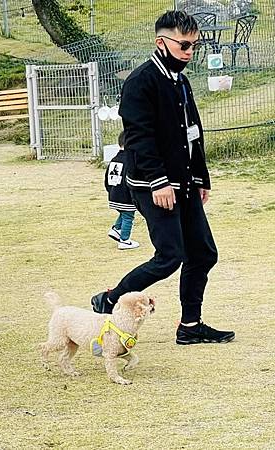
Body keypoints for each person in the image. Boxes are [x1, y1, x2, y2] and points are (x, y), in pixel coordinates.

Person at [91, 11, 235, 345]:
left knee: (203, 254)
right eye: (184, 45)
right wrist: (158, 181)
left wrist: (201, 177)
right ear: (161, 42)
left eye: (194, 46)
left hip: (185, 182)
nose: (189, 52)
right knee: (169, 257)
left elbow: (192, 132)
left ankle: (190, 326)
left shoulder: (179, 80)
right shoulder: (141, 82)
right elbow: (139, 137)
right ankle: (108, 300)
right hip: (152, 184)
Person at [105, 131, 139, 250]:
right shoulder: (130, 160)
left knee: (124, 213)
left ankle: (116, 229)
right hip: (126, 195)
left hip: (114, 194)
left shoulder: (114, 159)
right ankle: (125, 240)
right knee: (128, 216)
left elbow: (107, 179)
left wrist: (111, 191)